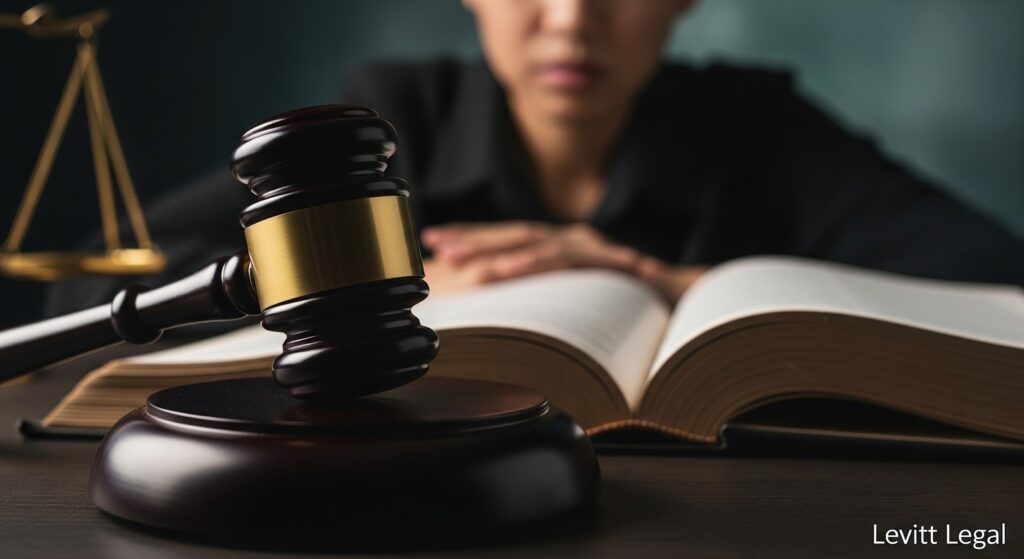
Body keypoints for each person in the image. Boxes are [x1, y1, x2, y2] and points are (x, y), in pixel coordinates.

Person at [48, 0, 1023, 315]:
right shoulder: (391, 114)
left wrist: (659, 278)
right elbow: (96, 287)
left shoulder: (753, 123)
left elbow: (993, 276)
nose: (571, 22)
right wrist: (383, 281)